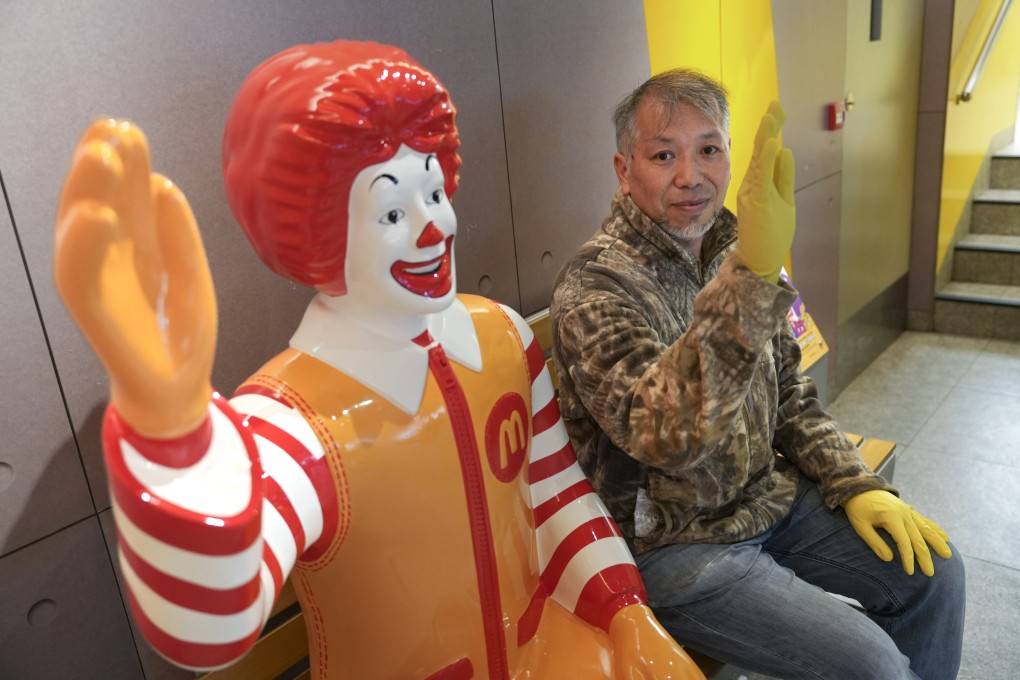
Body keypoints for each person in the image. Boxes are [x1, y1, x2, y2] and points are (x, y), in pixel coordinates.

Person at [53, 41, 707, 679]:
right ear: (318, 233)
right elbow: (209, 633)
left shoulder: (504, 339)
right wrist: (170, 430)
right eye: (392, 209)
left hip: (552, 656)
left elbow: (554, 496)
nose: (435, 227)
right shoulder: (287, 426)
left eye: (434, 193)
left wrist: (626, 613)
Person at [549, 68, 966, 680]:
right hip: (676, 544)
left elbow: (791, 390)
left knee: (935, 574)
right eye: (664, 155)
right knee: (871, 666)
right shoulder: (597, 285)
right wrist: (752, 277)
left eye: (709, 150)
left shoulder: (736, 243)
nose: (690, 177)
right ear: (623, 170)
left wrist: (855, 482)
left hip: (767, 498)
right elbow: (665, 438)